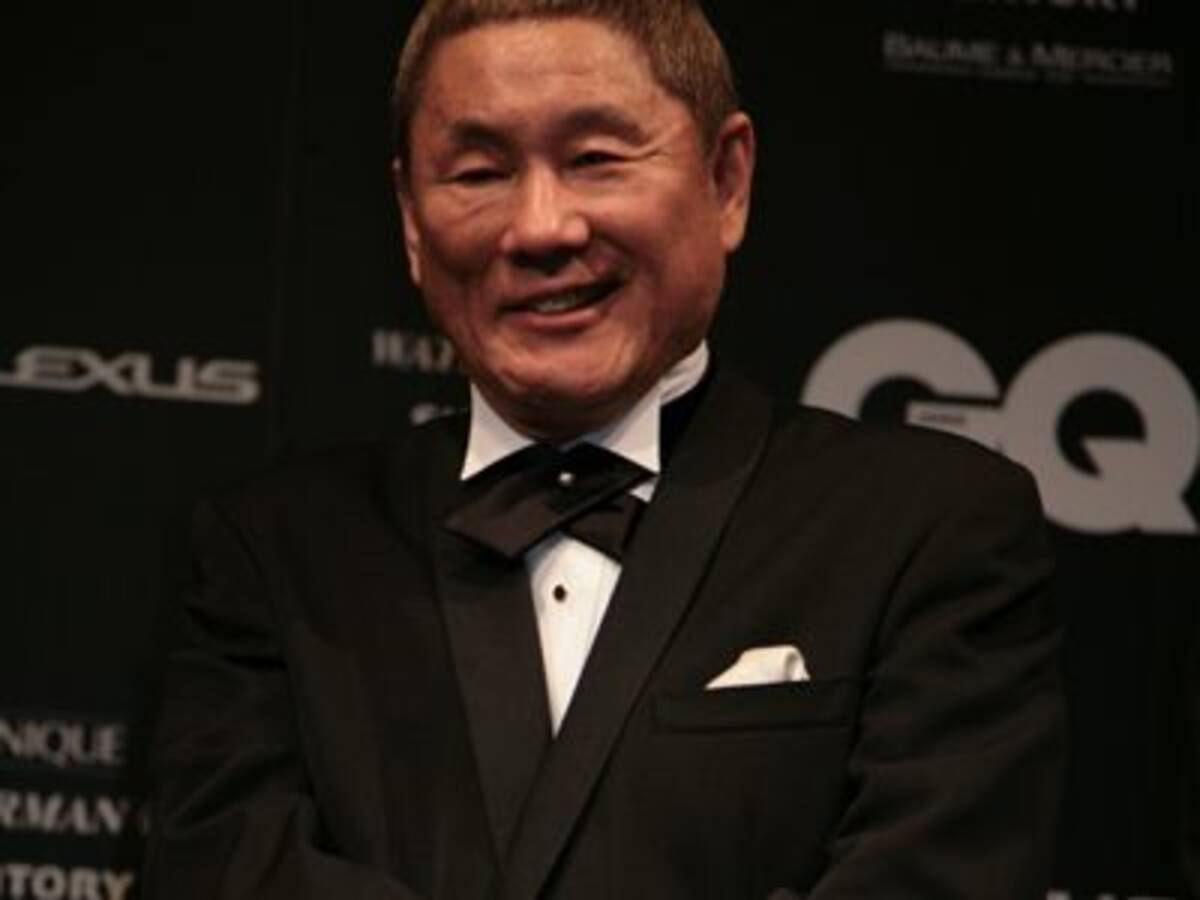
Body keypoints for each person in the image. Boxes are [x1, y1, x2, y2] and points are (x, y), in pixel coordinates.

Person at [143, 1, 1066, 897]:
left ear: (726, 181)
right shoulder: (277, 554)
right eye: (479, 172)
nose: (542, 227)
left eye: (595, 159)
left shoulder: (923, 529)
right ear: (412, 220)